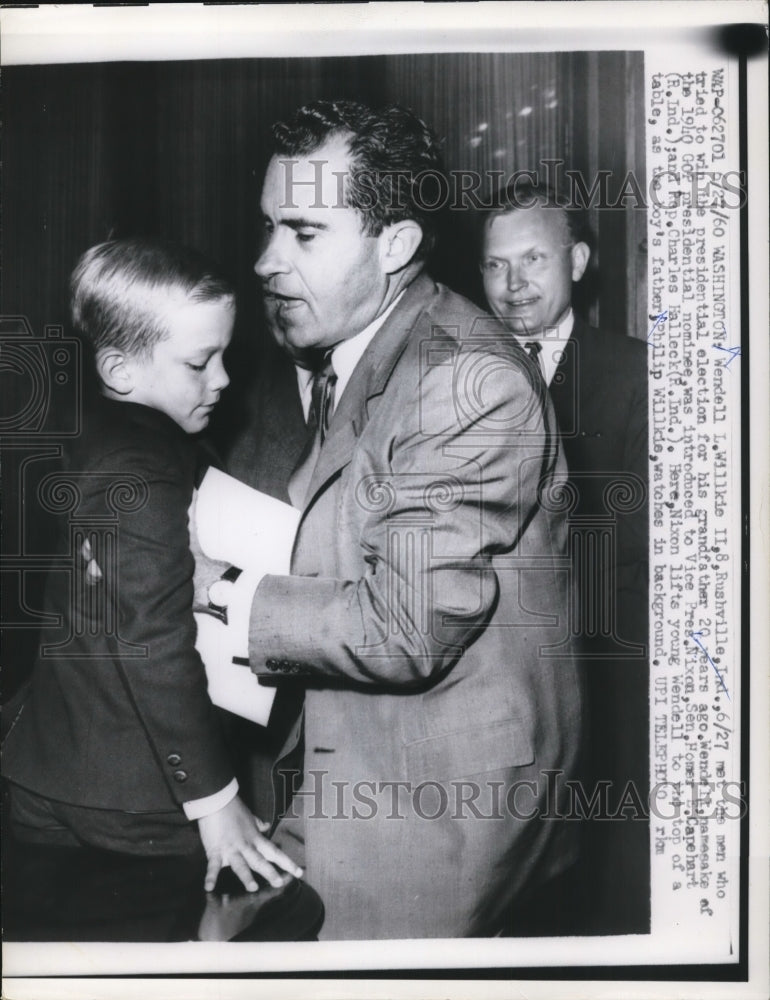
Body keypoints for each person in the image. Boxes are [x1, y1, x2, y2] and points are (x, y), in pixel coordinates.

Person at [195, 100, 584, 940]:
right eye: (267, 227)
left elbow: (403, 624)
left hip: (438, 807)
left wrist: (221, 596)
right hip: (347, 764)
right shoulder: (359, 350)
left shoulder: (466, 381)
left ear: (397, 245)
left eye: (303, 233)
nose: (265, 260)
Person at [2, 238, 302, 898]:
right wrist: (215, 798)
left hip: (49, 761)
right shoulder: (145, 468)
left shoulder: (90, 426)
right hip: (131, 793)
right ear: (120, 369)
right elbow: (153, 646)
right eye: (200, 362)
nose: (223, 379)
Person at [480, 180, 649, 933]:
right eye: (495, 266)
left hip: (598, 681)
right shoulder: (450, 374)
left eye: (533, 260)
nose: (513, 285)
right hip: (482, 688)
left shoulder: (638, 375)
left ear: (577, 260)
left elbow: (646, 549)